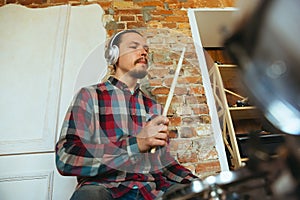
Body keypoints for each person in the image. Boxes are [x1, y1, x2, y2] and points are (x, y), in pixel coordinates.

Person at [55, 29, 199, 200]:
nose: (144, 52)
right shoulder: (89, 96)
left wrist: (200, 184)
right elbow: (66, 156)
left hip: (153, 191)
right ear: (114, 55)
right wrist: (136, 144)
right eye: (134, 46)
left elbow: (164, 164)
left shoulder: (154, 107)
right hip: (105, 189)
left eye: (146, 48)